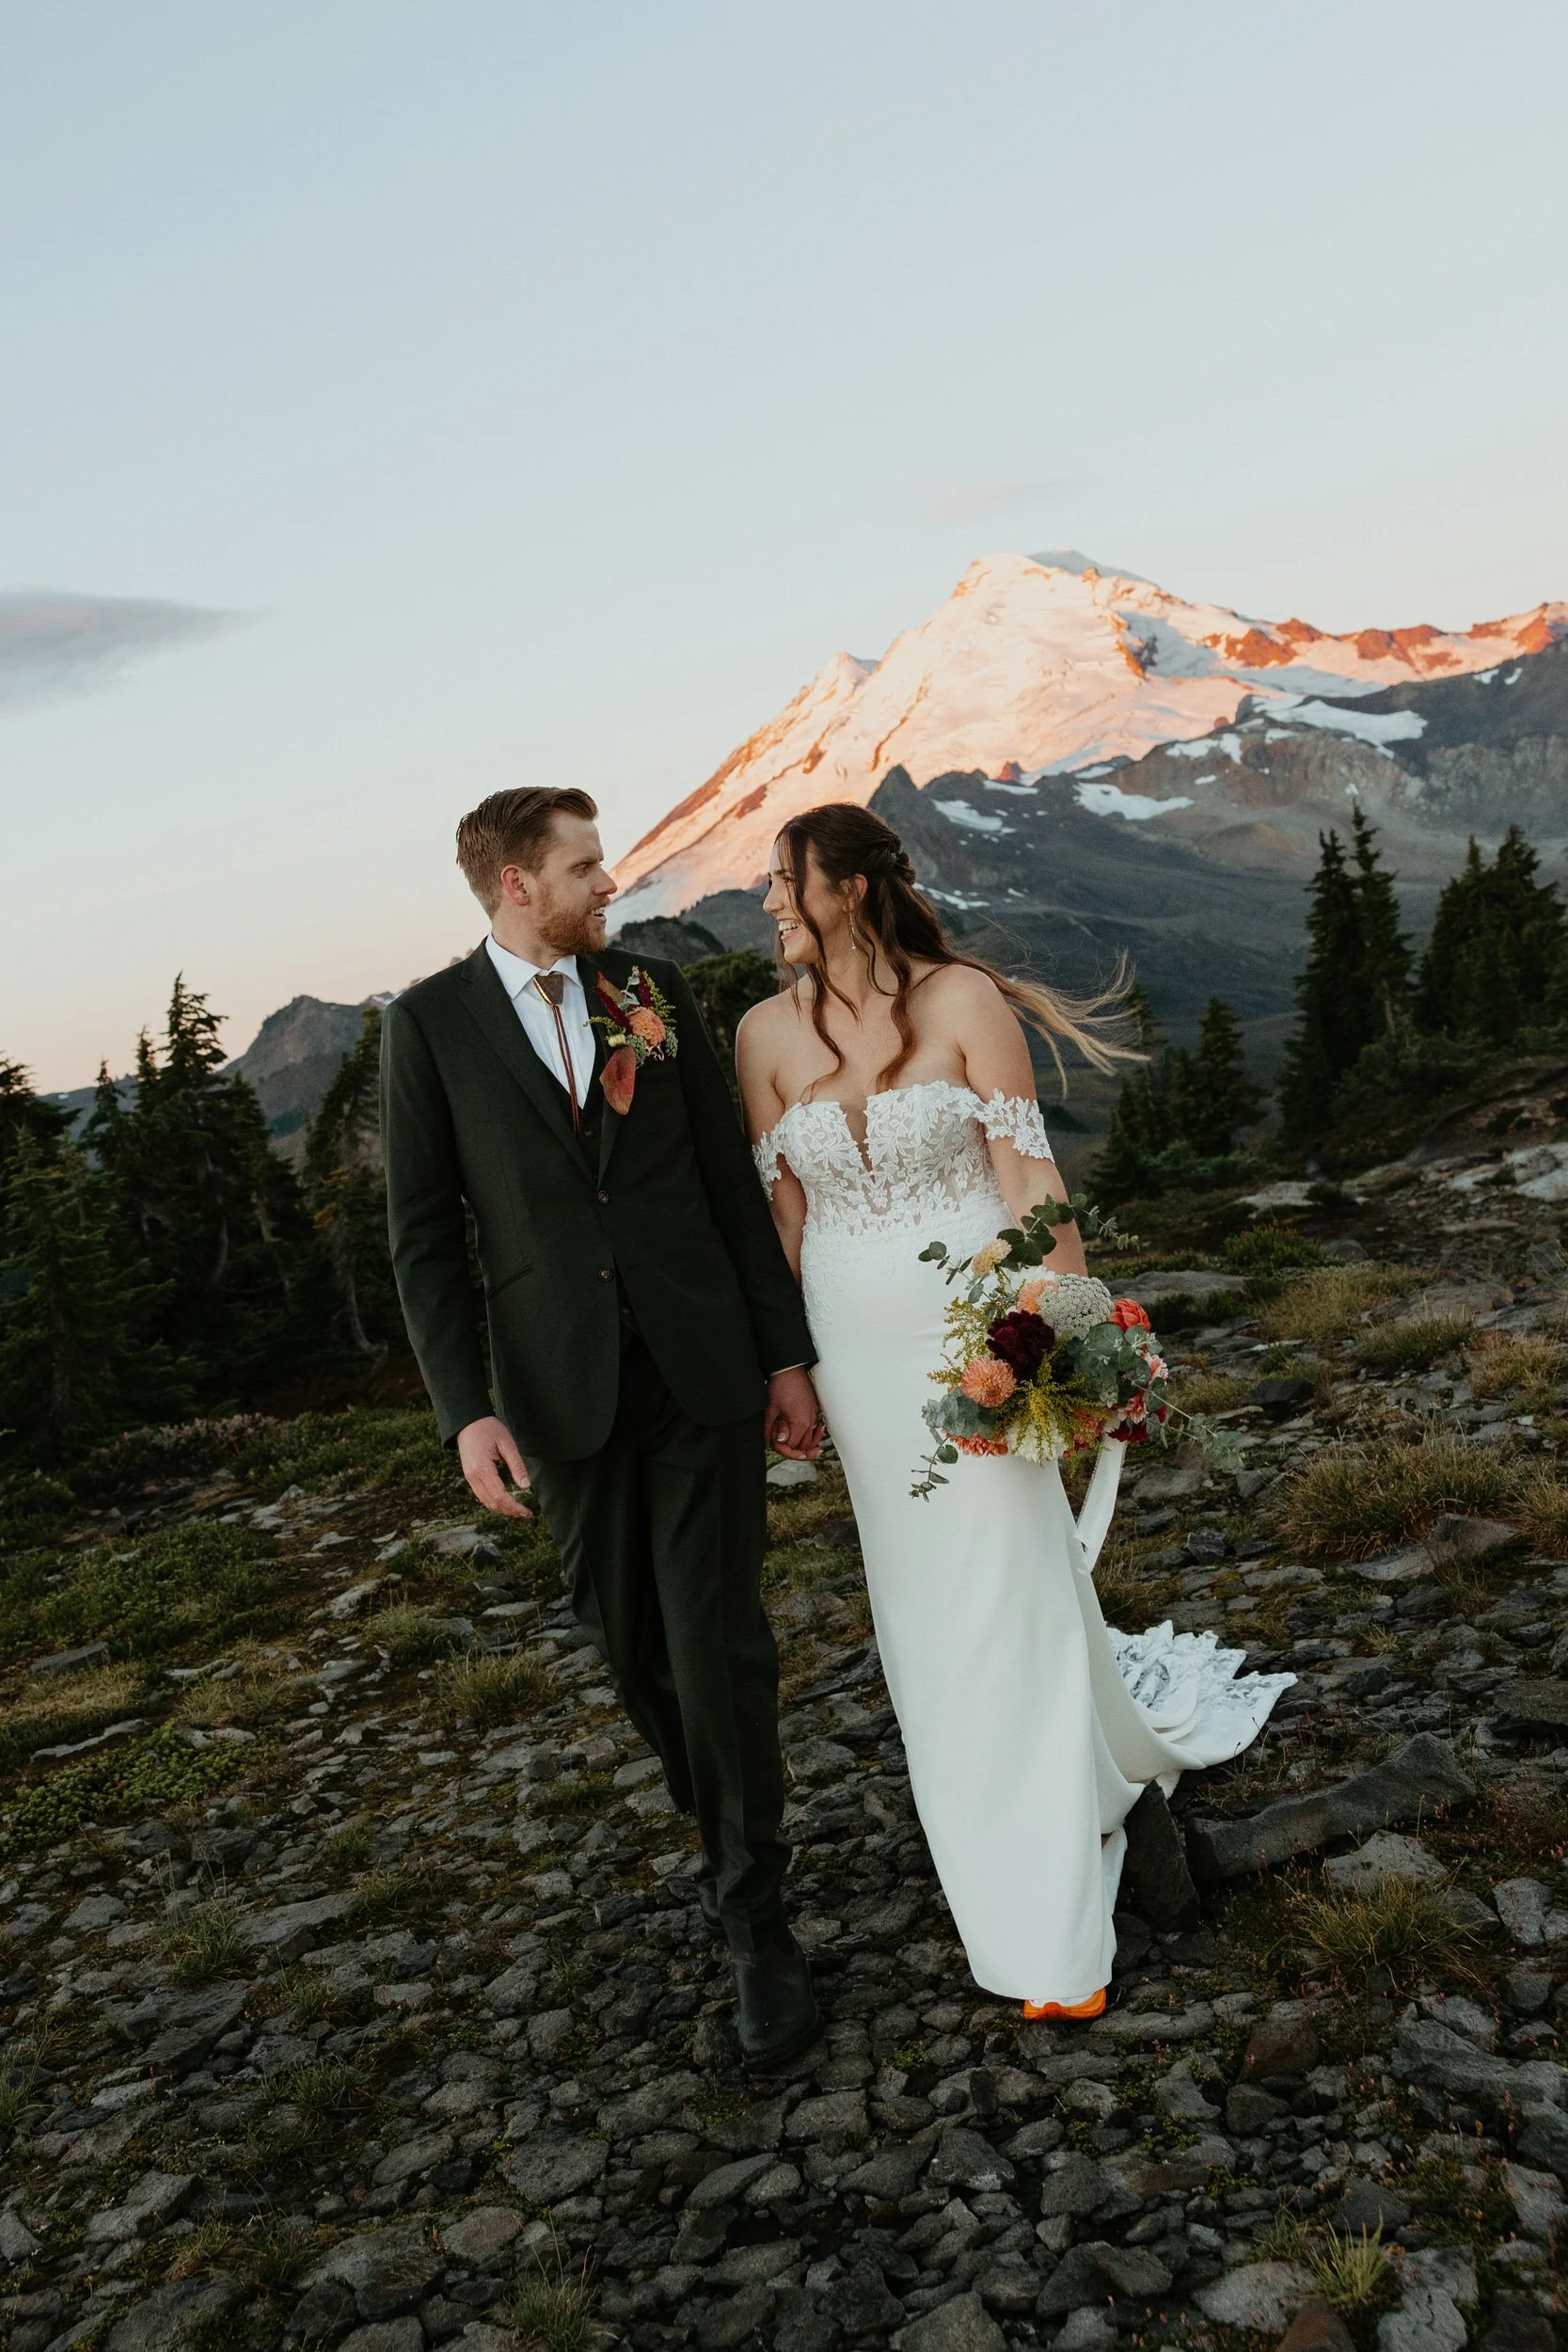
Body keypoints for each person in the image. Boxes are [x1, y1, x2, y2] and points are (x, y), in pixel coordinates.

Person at [736, 802, 1292, 2019]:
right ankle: (1014, 1798)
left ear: (848, 889)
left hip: (979, 1336)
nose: (769, 902)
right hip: (858, 1362)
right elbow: (783, 1219)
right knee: (925, 1608)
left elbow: (1030, 1182)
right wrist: (794, 1371)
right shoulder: (760, 1034)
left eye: (786, 881)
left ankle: (1041, 1932)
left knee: (1010, 1579)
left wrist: (1066, 1332)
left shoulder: (961, 1000)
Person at [380, 785, 826, 2070]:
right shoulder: (430, 1026)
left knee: (717, 1637)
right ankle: (727, 1819)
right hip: (557, 1392)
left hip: (699, 1368)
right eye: (584, 867)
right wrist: (464, 1412)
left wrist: (781, 1354)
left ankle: (756, 1921)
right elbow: (422, 1240)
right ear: (517, 882)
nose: (606, 885)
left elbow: (729, 1187)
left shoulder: (652, 990)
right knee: (631, 1644)